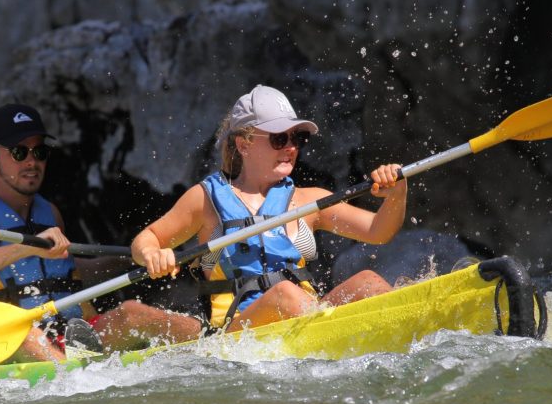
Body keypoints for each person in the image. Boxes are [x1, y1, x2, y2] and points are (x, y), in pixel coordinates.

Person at [0, 103, 201, 360]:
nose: (31, 161)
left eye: (39, 152)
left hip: (71, 332)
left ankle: (213, 339)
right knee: (26, 335)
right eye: (19, 152)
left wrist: (129, 261)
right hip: (11, 339)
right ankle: (72, 378)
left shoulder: (49, 212)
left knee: (133, 312)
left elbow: (65, 273)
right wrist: (22, 249)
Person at [131, 85, 407, 332]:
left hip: (305, 318)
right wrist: (153, 254)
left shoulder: (308, 201)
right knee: (284, 294)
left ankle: (406, 327)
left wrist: (396, 193)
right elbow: (146, 239)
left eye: (295, 138)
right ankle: (331, 333)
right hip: (237, 332)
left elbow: (378, 231)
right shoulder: (204, 200)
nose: (290, 148)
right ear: (244, 144)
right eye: (278, 139)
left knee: (368, 282)